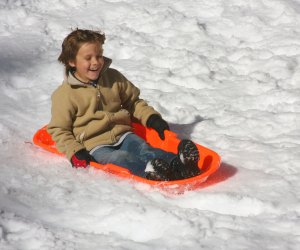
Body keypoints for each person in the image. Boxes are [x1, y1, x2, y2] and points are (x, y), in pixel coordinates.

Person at [47, 28, 200, 181]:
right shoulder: (65, 95)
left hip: (124, 135)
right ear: (71, 61)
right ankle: (151, 172)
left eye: (99, 55)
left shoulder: (113, 77)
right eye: (88, 58)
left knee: (144, 149)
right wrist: (75, 152)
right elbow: (59, 130)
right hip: (95, 146)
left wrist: (151, 118)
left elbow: (133, 102)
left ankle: (180, 164)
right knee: (121, 158)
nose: (95, 62)